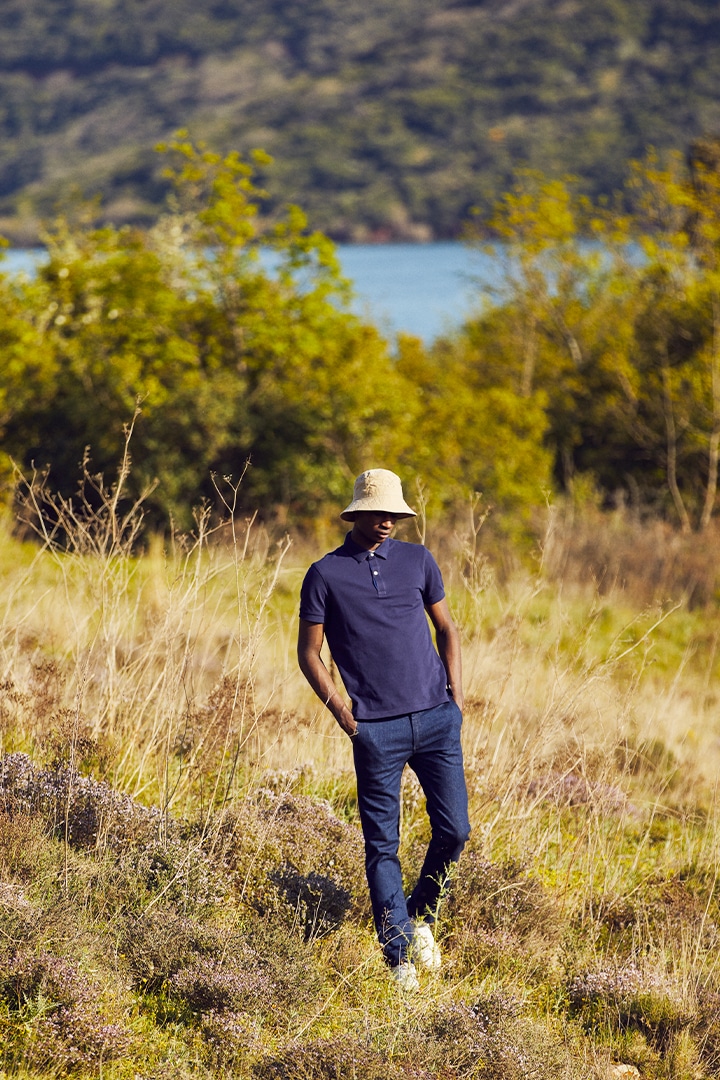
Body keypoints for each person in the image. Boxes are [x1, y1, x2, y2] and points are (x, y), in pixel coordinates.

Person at [297, 468, 470, 991]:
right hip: (376, 730)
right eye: (379, 513)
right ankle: (397, 957)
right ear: (356, 514)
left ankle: (420, 916)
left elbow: (446, 628)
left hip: (437, 720)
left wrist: (456, 698)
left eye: (396, 513)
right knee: (383, 845)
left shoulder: (419, 560)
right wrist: (346, 717)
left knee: (456, 829)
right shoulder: (325, 574)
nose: (389, 522)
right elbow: (309, 654)